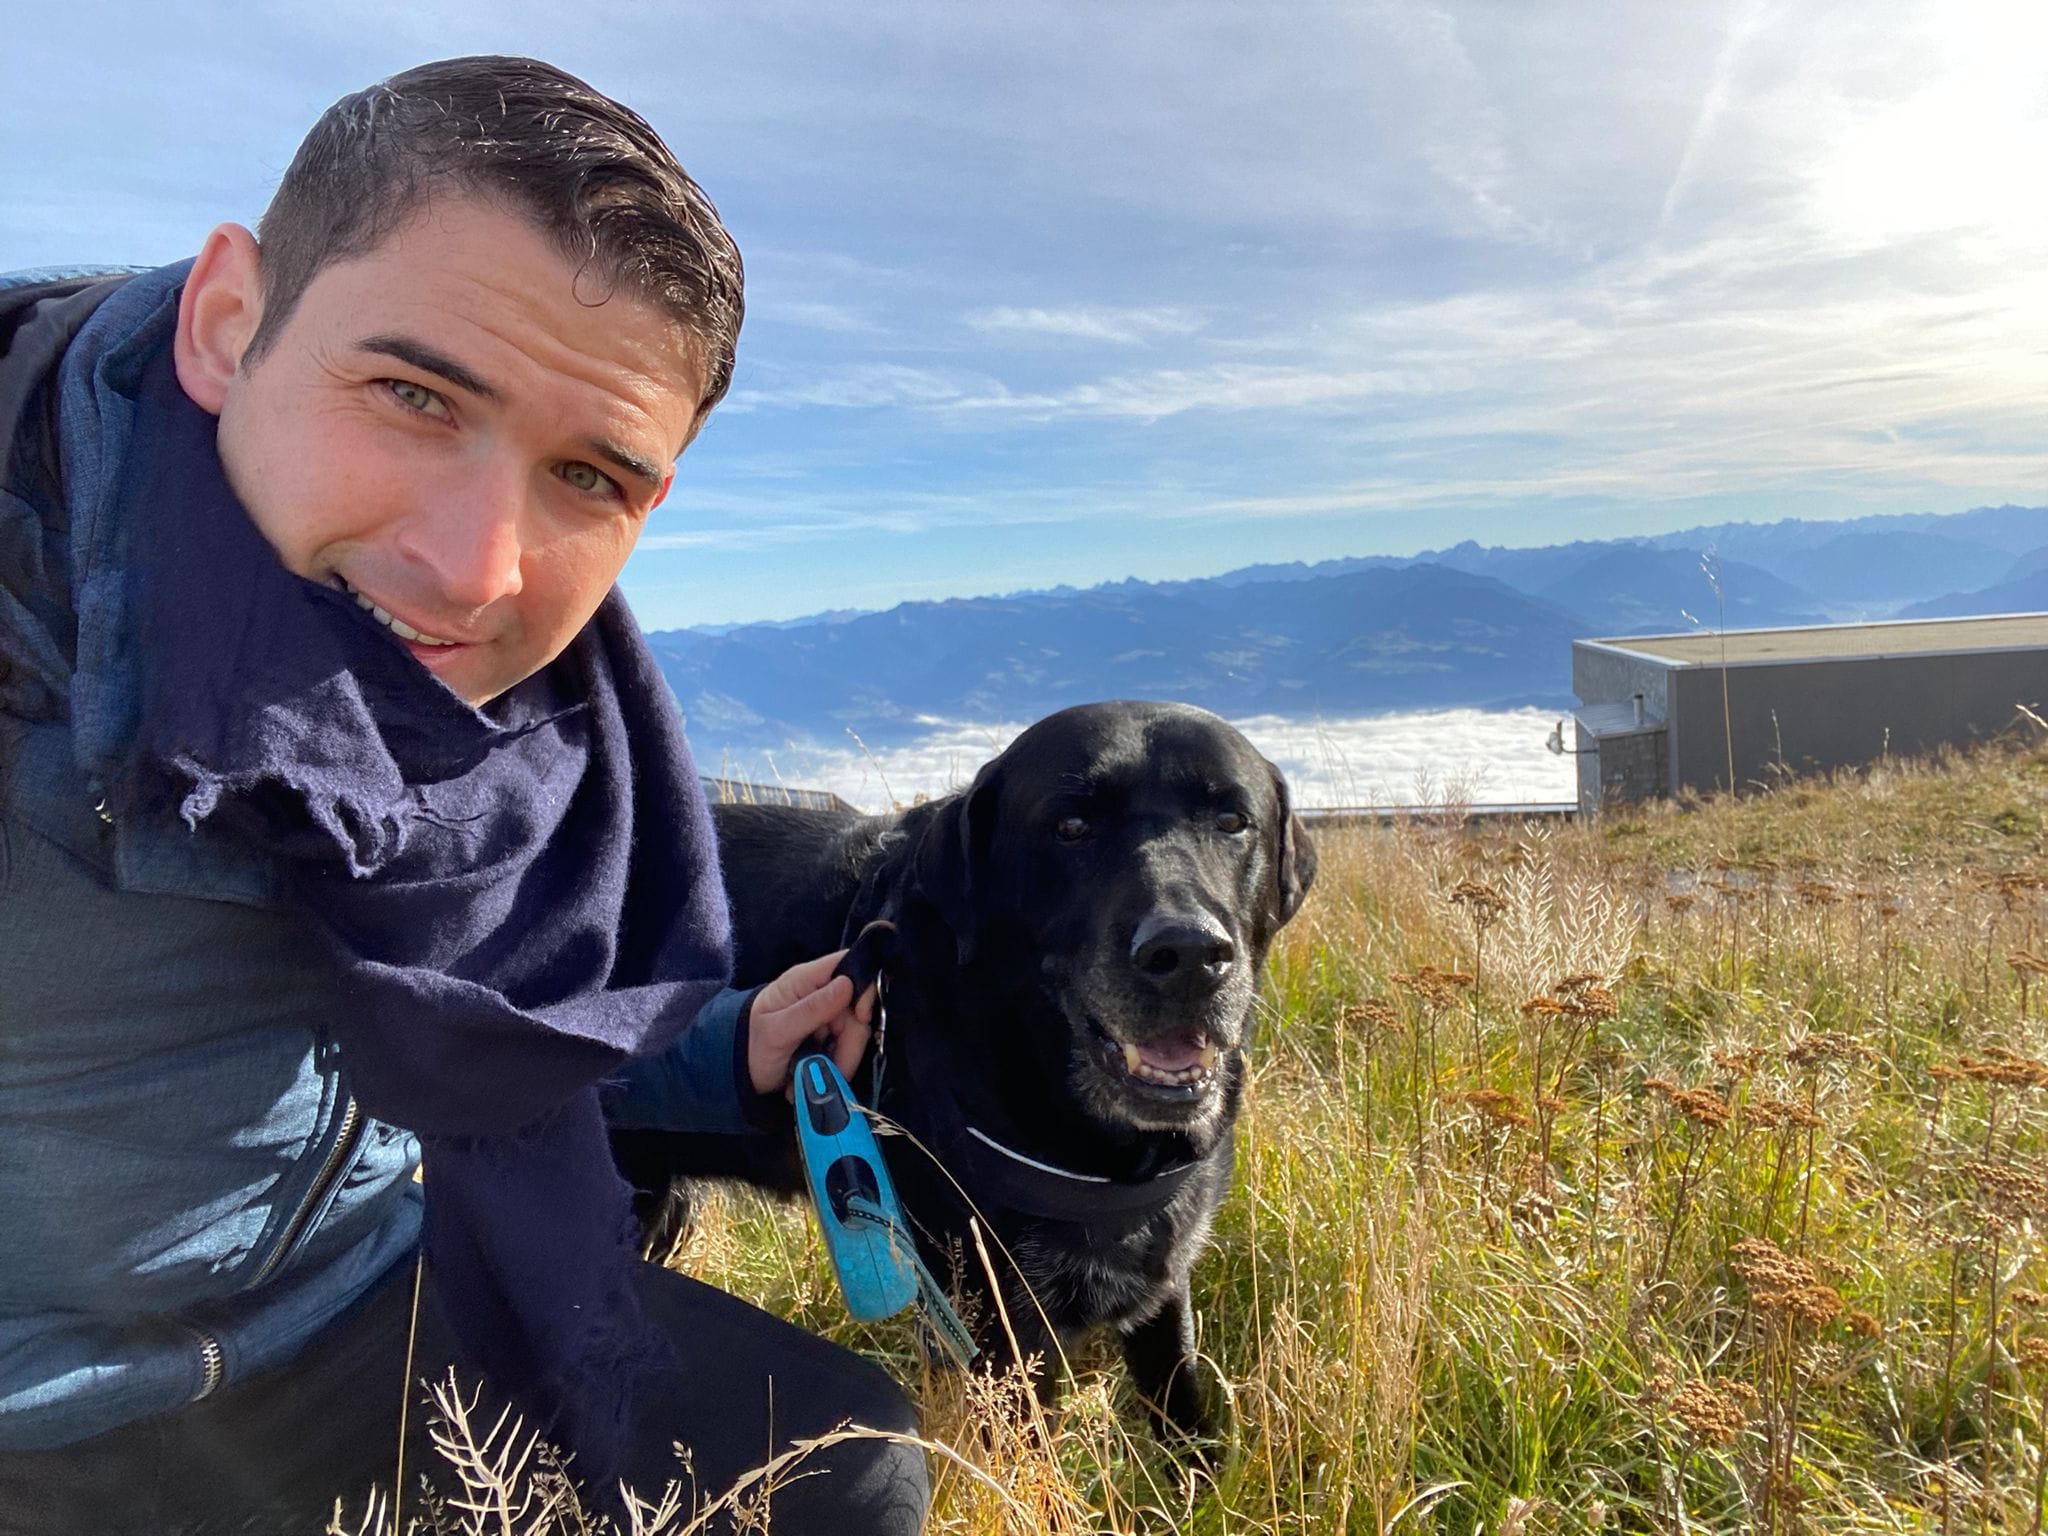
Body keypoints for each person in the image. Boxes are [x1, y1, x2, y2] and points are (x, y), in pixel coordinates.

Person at [0, 56, 928, 1535]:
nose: (475, 570)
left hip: (354, 1302)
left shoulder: (530, 722)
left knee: (843, 1463)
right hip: (44, 1417)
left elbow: (440, 1026)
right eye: (415, 395)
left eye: (587, 477)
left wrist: (720, 1056)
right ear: (229, 322)